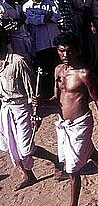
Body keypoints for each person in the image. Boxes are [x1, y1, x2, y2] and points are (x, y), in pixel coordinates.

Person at [34, 34, 98, 206]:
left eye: (69, 50)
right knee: (89, 152)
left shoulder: (84, 74)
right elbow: (57, 100)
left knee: (72, 168)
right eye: (61, 50)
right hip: (63, 124)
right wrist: (43, 102)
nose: (65, 54)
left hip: (81, 123)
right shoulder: (58, 71)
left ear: (77, 50)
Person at [0, 29, 59, 190]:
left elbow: (33, 90)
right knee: (10, 145)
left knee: (26, 148)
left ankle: (55, 160)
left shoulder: (19, 61)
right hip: (5, 109)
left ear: (5, 42)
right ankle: (28, 175)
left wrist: (35, 114)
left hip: (21, 108)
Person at [22, 0, 60, 98]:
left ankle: (60, 91)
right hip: (40, 43)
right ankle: (49, 95)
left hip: (54, 39)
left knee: (58, 67)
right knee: (45, 69)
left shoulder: (49, 1)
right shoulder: (26, 7)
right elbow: (34, 21)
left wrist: (42, 17)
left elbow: (57, 15)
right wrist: (45, 17)